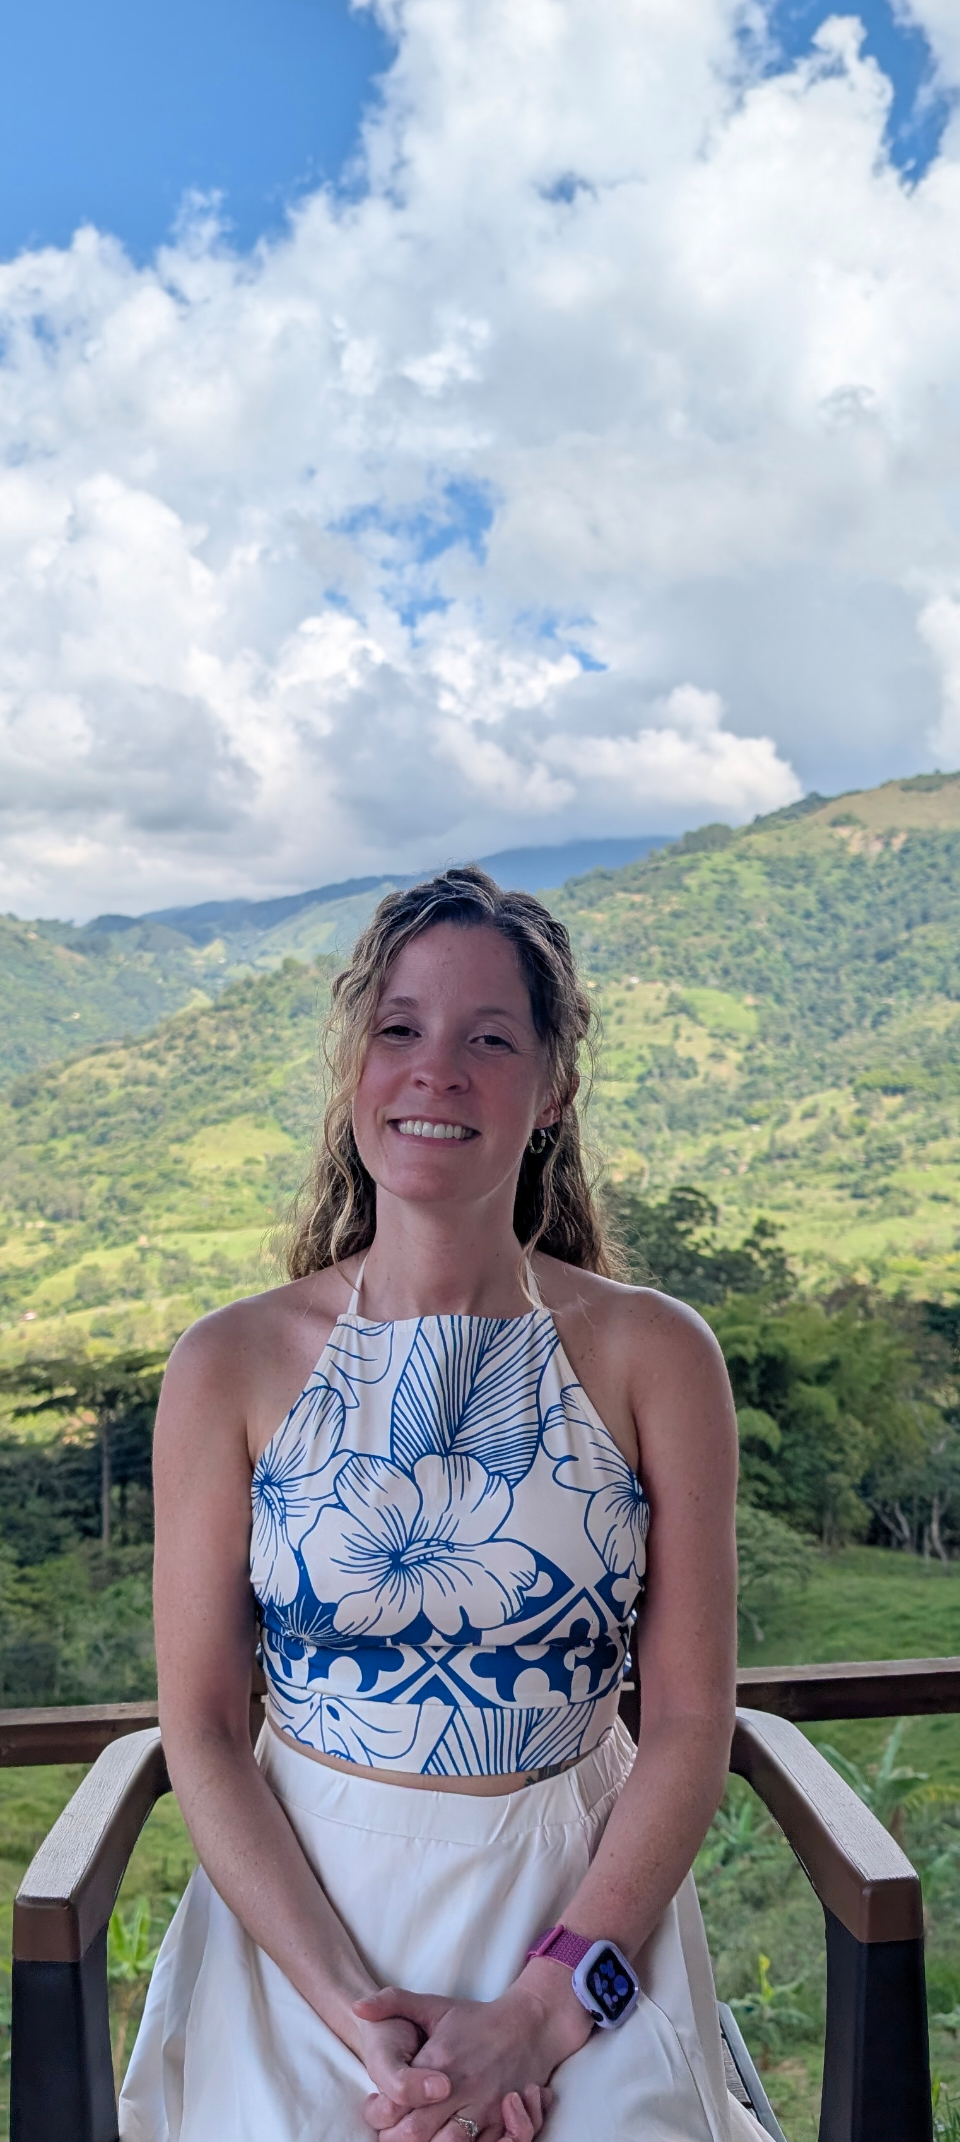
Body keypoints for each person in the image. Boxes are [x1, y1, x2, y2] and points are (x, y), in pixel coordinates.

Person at [119, 866, 757, 2142]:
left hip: (575, 1913)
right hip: (301, 1932)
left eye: (490, 1039)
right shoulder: (228, 1364)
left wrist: (543, 2012)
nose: (436, 1072)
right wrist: (361, 2019)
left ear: (553, 1086)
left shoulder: (655, 1354)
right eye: (400, 1030)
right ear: (356, 1063)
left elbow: (687, 1720)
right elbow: (198, 1721)